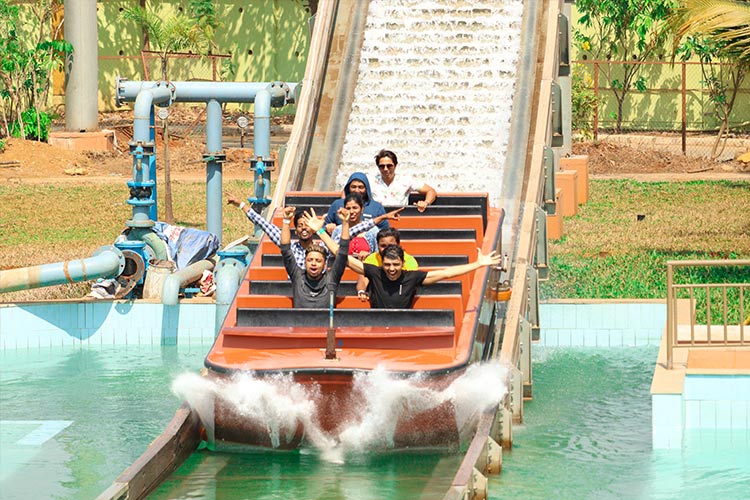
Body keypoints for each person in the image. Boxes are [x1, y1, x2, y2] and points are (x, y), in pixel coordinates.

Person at [346, 244, 501, 309]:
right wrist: (321, 232)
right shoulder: (376, 272)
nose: (391, 269)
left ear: (402, 263)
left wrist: (478, 264)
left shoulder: (412, 277)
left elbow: (446, 273)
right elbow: (345, 259)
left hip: (403, 324)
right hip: (376, 323)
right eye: (387, 265)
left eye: (395, 265)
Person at [226, 192, 324, 270]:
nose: (303, 228)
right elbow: (264, 224)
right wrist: (241, 204)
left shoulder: (322, 248)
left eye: (307, 225)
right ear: (295, 231)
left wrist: (323, 229)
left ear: (313, 229)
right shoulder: (291, 248)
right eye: (300, 225)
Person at [280, 205, 350, 308]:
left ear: (324, 263)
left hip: (326, 323)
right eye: (310, 260)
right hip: (300, 322)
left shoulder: (331, 278)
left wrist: (345, 223)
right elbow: (285, 249)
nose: (313, 263)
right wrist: (286, 221)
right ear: (305, 262)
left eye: (318, 261)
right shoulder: (297, 276)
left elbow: (343, 252)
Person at [354, 228, 418, 302]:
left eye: (391, 245)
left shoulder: (409, 261)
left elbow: (410, 283)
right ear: (377, 245)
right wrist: (362, 291)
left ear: (398, 244)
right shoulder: (372, 259)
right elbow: (364, 279)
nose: (387, 249)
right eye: (383, 246)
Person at [369, 149, 437, 211]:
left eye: (389, 166)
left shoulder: (405, 180)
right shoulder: (370, 181)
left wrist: (425, 203)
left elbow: (431, 191)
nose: (386, 169)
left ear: (395, 165)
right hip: (378, 219)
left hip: (400, 218)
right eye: (382, 166)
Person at [324, 172, 388, 234]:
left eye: (361, 187)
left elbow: (385, 230)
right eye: (353, 187)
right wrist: (327, 227)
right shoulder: (337, 205)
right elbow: (321, 229)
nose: (357, 190)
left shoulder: (376, 207)